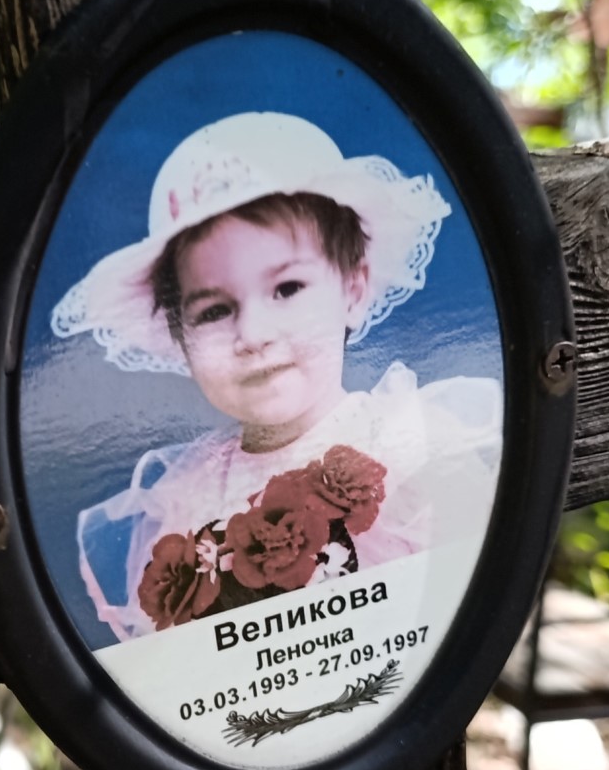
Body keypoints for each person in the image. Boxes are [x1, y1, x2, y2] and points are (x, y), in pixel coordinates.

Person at [52, 111, 501, 643]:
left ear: (354, 289)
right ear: (180, 340)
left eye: (287, 289)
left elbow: (473, 612)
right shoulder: (182, 498)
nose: (253, 334)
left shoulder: (412, 443)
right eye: (214, 312)